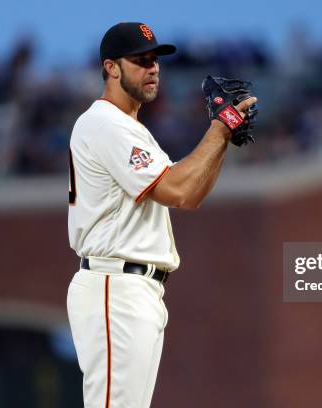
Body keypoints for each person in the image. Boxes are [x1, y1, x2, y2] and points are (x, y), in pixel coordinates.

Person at [65, 22, 257, 408]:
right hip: (114, 284)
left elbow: (192, 195)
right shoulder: (105, 123)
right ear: (111, 68)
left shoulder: (130, 127)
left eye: (155, 60)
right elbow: (177, 189)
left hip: (135, 288)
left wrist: (221, 139)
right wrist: (219, 130)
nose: (153, 68)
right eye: (140, 60)